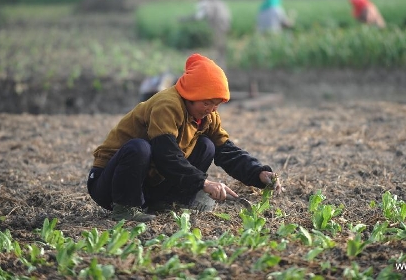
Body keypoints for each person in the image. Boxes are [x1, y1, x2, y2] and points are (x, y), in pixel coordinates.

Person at [87, 53, 282, 222]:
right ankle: (126, 208)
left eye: (216, 105)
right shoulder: (167, 105)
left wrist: (258, 173)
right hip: (111, 184)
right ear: (191, 94)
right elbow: (166, 155)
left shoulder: (207, 116)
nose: (211, 110)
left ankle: (171, 202)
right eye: (207, 102)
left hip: (149, 182)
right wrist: (203, 183)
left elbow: (227, 150)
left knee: (207, 145)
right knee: (140, 148)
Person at [179, 0, 231, 71]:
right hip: (224, 26)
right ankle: (221, 65)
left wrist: (184, 19)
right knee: (221, 46)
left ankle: (217, 67)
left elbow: (199, 17)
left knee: (216, 46)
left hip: (218, 26)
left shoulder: (208, 4)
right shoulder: (220, 3)